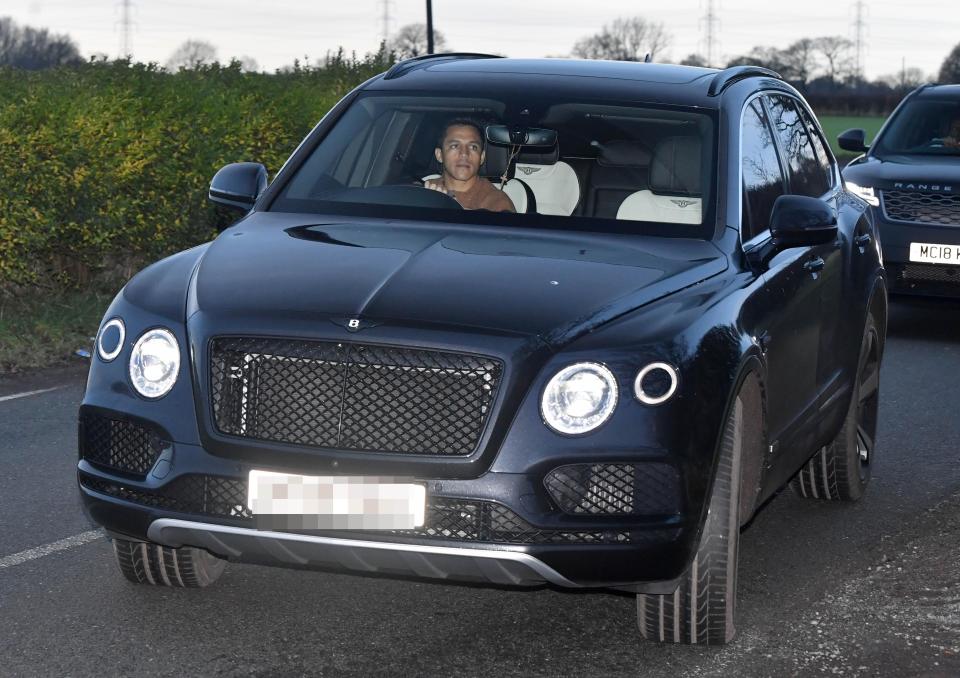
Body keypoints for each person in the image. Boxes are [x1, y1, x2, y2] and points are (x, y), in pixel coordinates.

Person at [424, 119, 515, 212]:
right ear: (439, 155)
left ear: (482, 157)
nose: (464, 153)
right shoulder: (424, 191)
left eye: (473, 147)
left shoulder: (497, 203)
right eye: (454, 146)